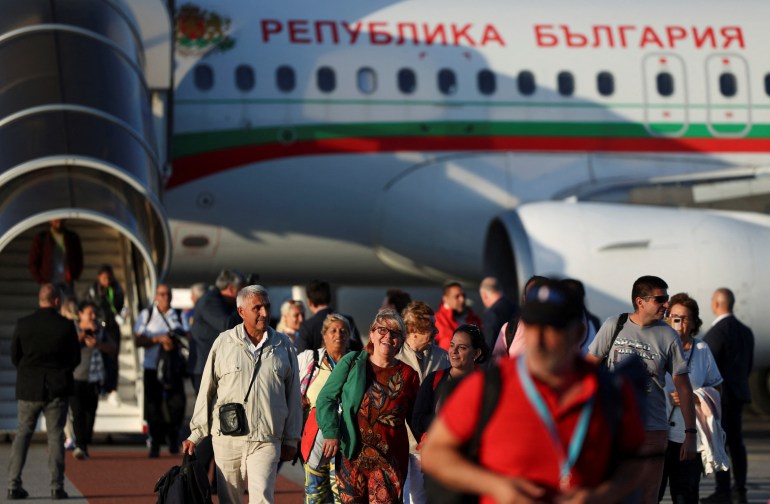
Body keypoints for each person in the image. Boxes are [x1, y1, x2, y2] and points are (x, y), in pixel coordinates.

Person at [421, 278, 646, 504]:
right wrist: (495, 486)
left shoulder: (611, 391)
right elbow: (434, 454)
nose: (537, 340)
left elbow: (635, 463)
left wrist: (601, 496)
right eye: (531, 325)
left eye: (551, 328)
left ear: (578, 333)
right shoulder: (487, 387)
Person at [183, 285, 302, 504]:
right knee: (229, 500)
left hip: (266, 438)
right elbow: (206, 390)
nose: (265, 313)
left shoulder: (283, 345)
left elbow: (293, 395)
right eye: (257, 308)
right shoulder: (223, 343)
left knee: (263, 499)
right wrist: (196, 434)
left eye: (266, 307)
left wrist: (292, 439)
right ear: (241, 312)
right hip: (227, 438)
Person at [587, 275, 697, 504]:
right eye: (660, 299)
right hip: (614, 426)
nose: (666, 304)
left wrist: (690, 433)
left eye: (666, 298)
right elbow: (588, 371)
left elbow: (683, 387)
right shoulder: (614, 325)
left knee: (648, 495)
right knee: (611, 491)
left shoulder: (669, 336)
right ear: (640, 301)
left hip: (652, 428)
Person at [316, 309, 420, 503]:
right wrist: (331, 432)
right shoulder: (352, 362)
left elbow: (416, 418)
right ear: (371, 334)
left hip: (390, 461)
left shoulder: (409, 375)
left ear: (401, 342)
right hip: (351, 457)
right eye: (382, 330)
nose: (388, 336)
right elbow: (326, 399)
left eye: (395, 333)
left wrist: (430, 442)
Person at [8, 284, 80, 500]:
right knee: (55, 437)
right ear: (57, 300)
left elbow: (14, 357)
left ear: (40, 299)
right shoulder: (65, 326)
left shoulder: (23, 324)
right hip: (56, 388)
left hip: (29, 388)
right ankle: (56, 487)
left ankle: (13, 484)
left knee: (22, 435)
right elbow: (74, 358)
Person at [658, 293, 723, 504]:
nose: (679, 322)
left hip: (689, 436)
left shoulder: (702, 349)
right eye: (674, 316)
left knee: (686, 495)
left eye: (685, 318)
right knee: (651, 495)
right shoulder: (657, 346)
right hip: (659, 435)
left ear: (694, 322)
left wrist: (694, 397)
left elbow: (717, 386)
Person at [701, 288, 755, 504]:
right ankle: (740, 489)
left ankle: (723, 491)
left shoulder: (716, 333)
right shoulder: (746, 331)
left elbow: (708, 366)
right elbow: (749, 365)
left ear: (716, 304)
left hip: (721, 398)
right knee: (737, 443)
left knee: (720, 444)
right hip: (739, 394)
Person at [396, 301, 450, 504]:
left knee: (420, 497)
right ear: (413, 330)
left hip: (427, 441)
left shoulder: (442, 357)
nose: (436, 331)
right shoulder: (394, 356)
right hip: (399, 439)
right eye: (430, 327)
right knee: (400, 496)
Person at [297, 313, 353, 503]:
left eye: (343, 331)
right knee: (316, 495)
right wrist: (298, 399)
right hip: (314, 437)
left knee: (341, 494)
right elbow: (287, 388)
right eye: (333, 330)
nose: (339, 334)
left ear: (350, 336)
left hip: (346, 439)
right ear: (324, 335)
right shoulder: (309, 360)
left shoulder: (357, 364)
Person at [411, 323, 490, 453]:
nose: (454, 351)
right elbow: (417, 422)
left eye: (462, 347)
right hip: (439, 458)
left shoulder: (487, 385)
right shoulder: (434, 379)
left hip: (472, 460)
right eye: (452, 345)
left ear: (476, 353)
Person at [134, 284, 187, 458]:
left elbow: (188, 338)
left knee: (177, 405)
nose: (165, 297)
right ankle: (155, 443)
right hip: (152, 367)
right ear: (156, 296)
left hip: (173, 367)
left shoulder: (179, 315)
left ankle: (173, 439)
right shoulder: (146, 315)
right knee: (153, 407)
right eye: (162, 294)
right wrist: (157, 339)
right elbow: (138, 340)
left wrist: (174, 341)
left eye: (168, 294)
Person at [71, 300, 117, 460]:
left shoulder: (101, 330)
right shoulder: (73, 328)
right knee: (77, 413)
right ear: (80, 314)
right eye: (89, 313)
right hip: (76, 377)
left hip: (95, 378)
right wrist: (83, 335)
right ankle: (79, 445)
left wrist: (98, 344)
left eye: (94, 313)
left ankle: (84, 443)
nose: (92, 316)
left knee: (90, 413)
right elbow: (65, 346)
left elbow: (113, 348)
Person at [86, 264, 125, 406]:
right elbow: (90, 306)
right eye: (104, 278)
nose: (107, 281)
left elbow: (120, 305)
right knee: (99, 356)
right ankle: (101, 386)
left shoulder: (117, 289)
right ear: (99, 277)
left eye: (109, 278)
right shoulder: (93, 290)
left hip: (112, 327)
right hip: (99, 327)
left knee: (113, 357)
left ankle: (112, 389)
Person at [491, 275, 547, 359]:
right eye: (532, 294)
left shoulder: (562, 330)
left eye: (540, 294)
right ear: (524, 299)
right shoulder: (509, 329)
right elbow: (497, 364)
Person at [297, 280, 363, 352]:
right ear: (329, 298)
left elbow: (302, 356)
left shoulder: (307, 326)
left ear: (309, 302)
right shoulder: (347, 320)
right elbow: (359, 350)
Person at [28, 219, 83, 297]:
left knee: (68, 306)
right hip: (48, 281)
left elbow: (79, 259)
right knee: (49, 305)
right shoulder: (42, 238)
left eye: (61, 221)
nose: (59, 224)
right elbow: (33, 262)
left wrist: (74, 275)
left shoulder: (72, 238)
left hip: (67, 281)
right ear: (50, 221)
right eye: (56, 221)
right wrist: (41, 280)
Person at [434, 281, 482, 351]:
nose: (462, 299)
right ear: (445, 299)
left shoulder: (474, 319)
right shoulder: (436, 320)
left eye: (463, 296)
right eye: (457, 296)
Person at [479, 277, 517, 351]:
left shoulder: (492, 314)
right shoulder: (515, 308)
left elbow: (488, 345)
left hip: (500, 360)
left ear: (484, 295)